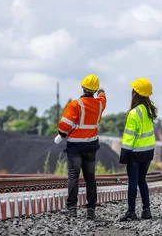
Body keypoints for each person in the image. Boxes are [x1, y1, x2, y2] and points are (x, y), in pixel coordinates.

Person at [57, 74, 106, 220]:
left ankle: (72, 209)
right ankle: (91, 210)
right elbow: (103, 98)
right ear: (94, 90)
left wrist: (62, 134)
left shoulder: (75, 105)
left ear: (83, 87)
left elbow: (64, 127)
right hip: (91, 147)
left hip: (75, 147)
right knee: (90, 178)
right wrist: (101, 91)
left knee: (73, 176)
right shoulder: (100, 104)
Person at [119, 78, 157, 221]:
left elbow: (129, 137)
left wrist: (123, 157)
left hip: (135, 154)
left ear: (135, 93)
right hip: (148, 152)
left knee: (133, 181)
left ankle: (131, 212)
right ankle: (147, 210)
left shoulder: (134, 113)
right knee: (142, 180)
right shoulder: (151, 109)